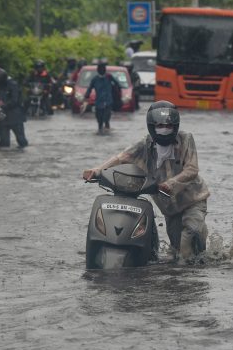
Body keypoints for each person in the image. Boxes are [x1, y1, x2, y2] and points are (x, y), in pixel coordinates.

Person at [82, 101, 209, 261]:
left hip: (193, 200)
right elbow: (122, 158)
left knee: (191, 233)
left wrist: (171, 184)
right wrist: (97, 170)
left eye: (168, 125)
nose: (164, 129)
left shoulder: (186, 139)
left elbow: (192, 169)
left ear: (175, 126)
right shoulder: (144, 144)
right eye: (160, 125)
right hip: (169, 207)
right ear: (151, 126)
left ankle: (200, 264)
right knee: (177, 252)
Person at [0, 67, 28, 148]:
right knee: (4, 143)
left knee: (21, 140)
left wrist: (3, 105)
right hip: (4, 116)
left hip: (15, 116)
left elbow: (15, 100)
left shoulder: (13, 85)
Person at [84, 63, 120, 132]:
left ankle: (107, 130)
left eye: (103, 69)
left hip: (108, 102)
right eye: (100, 69)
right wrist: (86, 96)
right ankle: (101, 131)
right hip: (98, 103)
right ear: (98, 70)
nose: (102, 71)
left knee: (106, 119)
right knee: (99, 121)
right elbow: (89, 89)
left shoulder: (109, 77)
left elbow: (117, 85)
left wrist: (115, 92)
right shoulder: (95, 79)